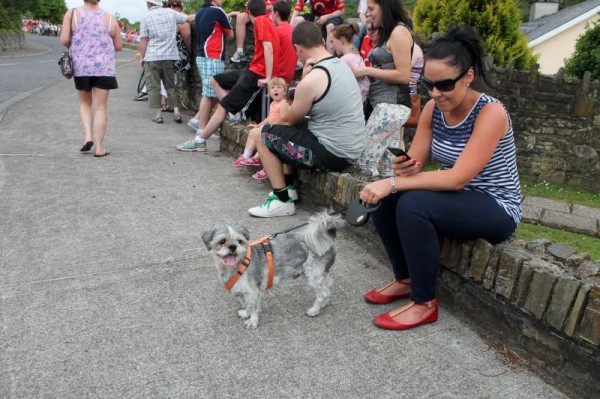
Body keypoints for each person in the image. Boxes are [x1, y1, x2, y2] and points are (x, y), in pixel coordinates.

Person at [359, 26, 522, 331]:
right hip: (456, 201)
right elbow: (416, 165)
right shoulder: (434, 109)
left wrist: (392, 183)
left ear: (468, 77)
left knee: (412, 204)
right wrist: (403, 168)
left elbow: (458, 178)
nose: (435, 93)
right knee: (388, 200)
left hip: (496, 207)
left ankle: (424, 302)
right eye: (429, 85)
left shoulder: (491, 113)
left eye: (445, 85)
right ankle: (405, 278)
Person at [247, 21, 365, 218]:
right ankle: (290, 186)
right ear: (320, 41)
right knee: (290, 131)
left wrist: (301, 81)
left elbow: (288, 120)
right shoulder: (341, 64)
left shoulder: (311, 80)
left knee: (262, 134)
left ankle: (281, 200)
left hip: (333, 154)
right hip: (350, 147)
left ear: (298, 48)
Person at [176, 0, 279, 152]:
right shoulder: (267, 21)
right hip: (253, 70)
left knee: (223, 107)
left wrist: (269, 77)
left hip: (257, 73)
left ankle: (200, 141)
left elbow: (268, 48)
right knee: (216, 81)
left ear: (249, 12)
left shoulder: (261, 22)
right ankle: (235, 111)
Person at [353, 0, 413, 177]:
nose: (368, 14)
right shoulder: (390, 33)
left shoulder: (399, 32)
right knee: (387, 166)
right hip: (384, 105)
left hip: (392, 105)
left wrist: (367, 70)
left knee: (366, 160)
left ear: (385, 7)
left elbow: (403, 75)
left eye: (371, 9)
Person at [60, 0, 122, 157]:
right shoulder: (110, 17)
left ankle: (88, 136)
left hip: (82, 67)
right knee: (100, 107)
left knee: (85, 103)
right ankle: (100, 147)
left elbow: (64, 39)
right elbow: (119, 46)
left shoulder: (72, 14)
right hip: (104, 68)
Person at [138, 0, 192, 124]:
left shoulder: (146, 17)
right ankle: (177, 112)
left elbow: (144, 39)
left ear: (149, 4)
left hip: (152, 57)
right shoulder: (170, 12)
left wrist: (142, 56)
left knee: (154, 87)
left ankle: (158, 115)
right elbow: (188, 18)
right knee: (170, 85)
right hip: (169, 56)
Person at [186, 0, 234, 132]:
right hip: (212, 56)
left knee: (211, 93)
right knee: (209, 94)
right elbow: (230, 35)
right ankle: (201, 130)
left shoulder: (200, 12)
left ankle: (197, 121)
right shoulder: (218, 11)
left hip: (203, 56)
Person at [232, 77, 290, 172]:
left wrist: (270, 126)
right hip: (271, 127)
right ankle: (246, 156)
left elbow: (285, 119)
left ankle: (256, 158)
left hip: (278, 129)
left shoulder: (284, 104)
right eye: (272, 87)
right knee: (253, 132)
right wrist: (258, 125)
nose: (275, 89)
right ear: (269, 93)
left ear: (284, 92)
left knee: (262, 136)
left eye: (279, 87)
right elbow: (269, 118)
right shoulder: (273, 104)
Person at [329, 23, 369, 102]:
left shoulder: (344, 60)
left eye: (332, 42)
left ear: (341, 40)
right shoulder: (357, 55)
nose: (331, 46)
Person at [271, 0, 297, 83]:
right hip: (289, 76)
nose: (271, 14)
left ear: (276, 14)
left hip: (277, 77)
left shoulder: (276, 31)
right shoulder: (293, 30)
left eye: (272, 12)